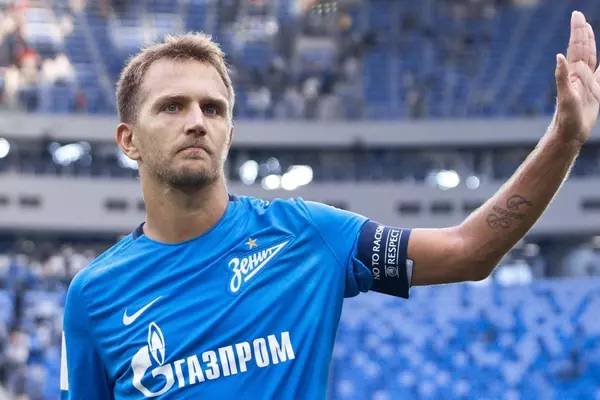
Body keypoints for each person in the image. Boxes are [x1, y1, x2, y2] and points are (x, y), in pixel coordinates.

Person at [61, 11, 600, 399]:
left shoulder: (308, 235)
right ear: (128, 140)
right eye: (172, 107)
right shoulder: (94, 296)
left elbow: (470, 250)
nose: (197, 121)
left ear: (229, 133)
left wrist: (564, 138)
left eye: (213, 108)